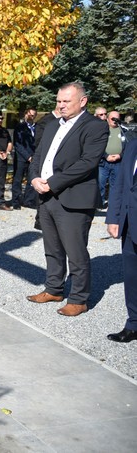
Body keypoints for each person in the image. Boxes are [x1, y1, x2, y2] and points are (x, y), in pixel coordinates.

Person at [27, 81, 108, 317]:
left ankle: (79, 299)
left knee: (75, 251)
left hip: (74, 198)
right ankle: (53, 288)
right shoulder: (52, 125)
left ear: (82, 101)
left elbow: (87, 163)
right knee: (52, 248)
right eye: (58, 101)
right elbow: (39, 156)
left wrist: (52, 182)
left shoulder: (94, 127)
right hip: (46, 195)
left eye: (66, 101)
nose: (61, 106)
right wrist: (34, 180)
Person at [104, 134, 137, 343]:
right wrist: (113, 217)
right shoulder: (133, 144)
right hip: (130, 224)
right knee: (132, 278)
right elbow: (122, 185)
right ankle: (133, 324)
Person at [10, 107, 38, 209]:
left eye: (34, 115)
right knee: (18, 180)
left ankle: (29, 201)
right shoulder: (19, 127)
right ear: (26, 114)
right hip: (21, 158)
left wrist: (34, 157)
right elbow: (17, 144)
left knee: (31, 180)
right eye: (30, 115)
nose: (32, 117)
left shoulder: (37, 127)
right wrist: (28, 156)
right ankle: (16, 201)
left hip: (34, 158)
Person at [98, 110, 126, 209]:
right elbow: (98, 146)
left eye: (117, 118)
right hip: (104, 162)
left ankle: (113, 205)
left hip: (118, 162)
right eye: (112, 118)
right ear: (107, 119)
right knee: (101, 184)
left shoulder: (123, 131)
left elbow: (127, 145)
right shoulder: (102, 130)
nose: (115, 121)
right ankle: (100, 204)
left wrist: (120, 155)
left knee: (115, 185)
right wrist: (106, 156)